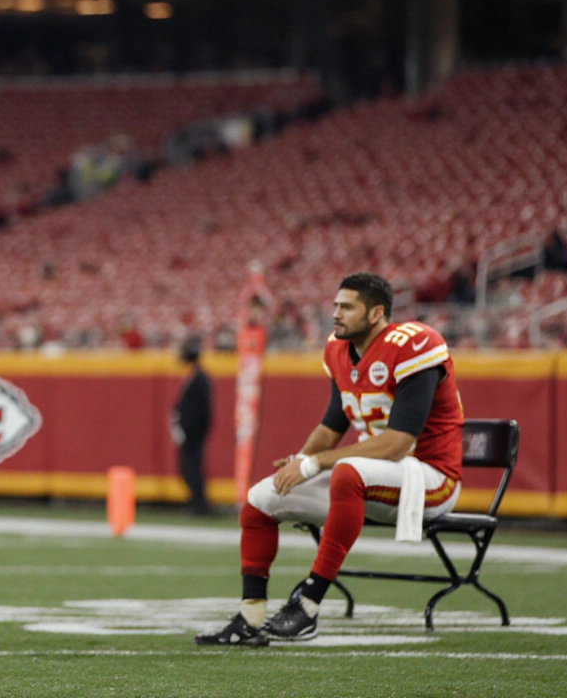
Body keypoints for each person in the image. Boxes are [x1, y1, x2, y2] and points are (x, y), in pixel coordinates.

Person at [195, 273, 464, 647]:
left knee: (346, 472)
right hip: (370, 477)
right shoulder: (338, 350)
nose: (335, 314)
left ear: (375, 314)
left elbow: (400, 443)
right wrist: (303, 461)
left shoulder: (415, 344)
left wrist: (317, 463)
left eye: (346, 307)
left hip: (431, 479)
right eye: (336, 305)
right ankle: (250, 619)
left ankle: (307, 606)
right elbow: (331, 426)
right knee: (260, 500)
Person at [171, 335, 212, 515]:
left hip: (193, 433)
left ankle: (199, 504)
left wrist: (190, 428)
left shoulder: (199, 378)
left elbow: (200, 409)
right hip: (190, 431)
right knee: (188, 468)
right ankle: (196, 502)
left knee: (192, 468)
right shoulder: (194, 376)